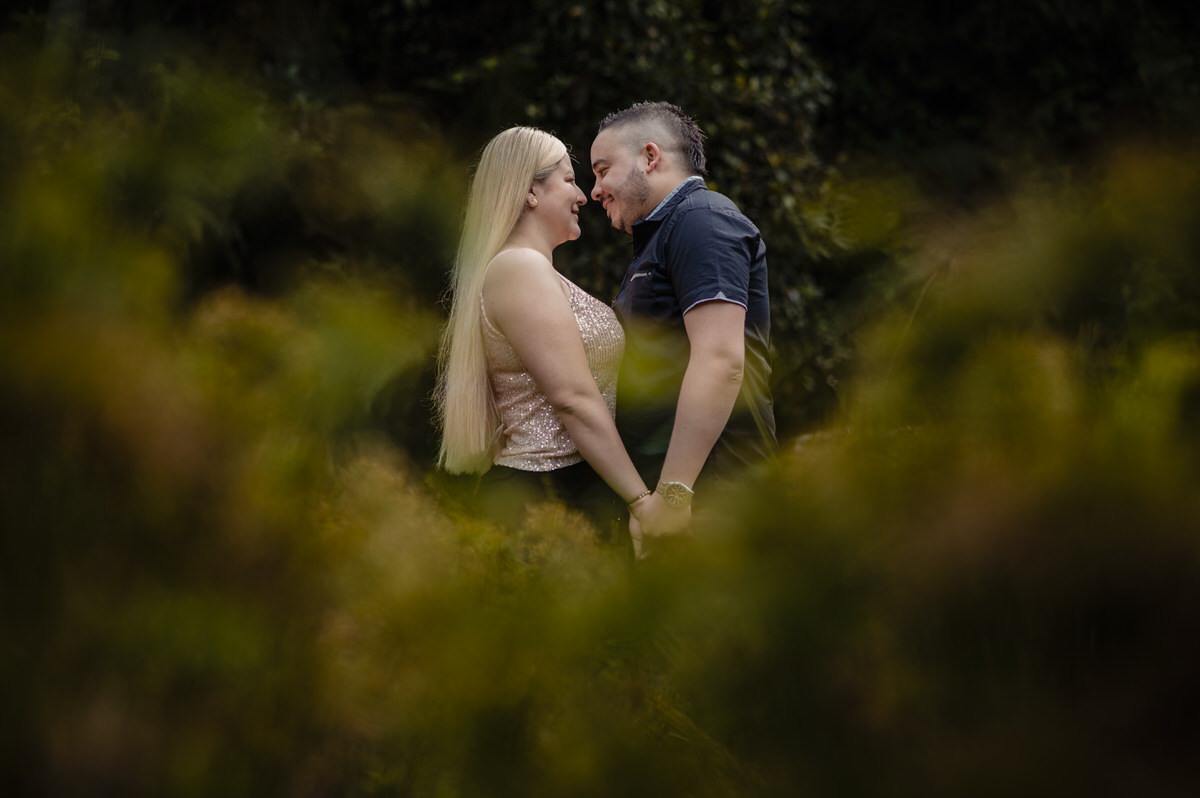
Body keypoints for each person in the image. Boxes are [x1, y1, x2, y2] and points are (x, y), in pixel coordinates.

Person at [434, 126, 655, 539]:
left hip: (566, 491)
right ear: (530, 192)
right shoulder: (520, 268)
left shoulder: (530, 270)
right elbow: (571, 397)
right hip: (543, 497)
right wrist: (642, 501)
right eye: (570, 180)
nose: (583, 195)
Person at [589, 102, 777, 554]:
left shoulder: (702, 220)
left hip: (714, 497)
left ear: (650, 157)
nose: (594, 191)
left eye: (602, 170)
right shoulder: (665, 233)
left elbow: (720, 361)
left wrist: (674, 495)